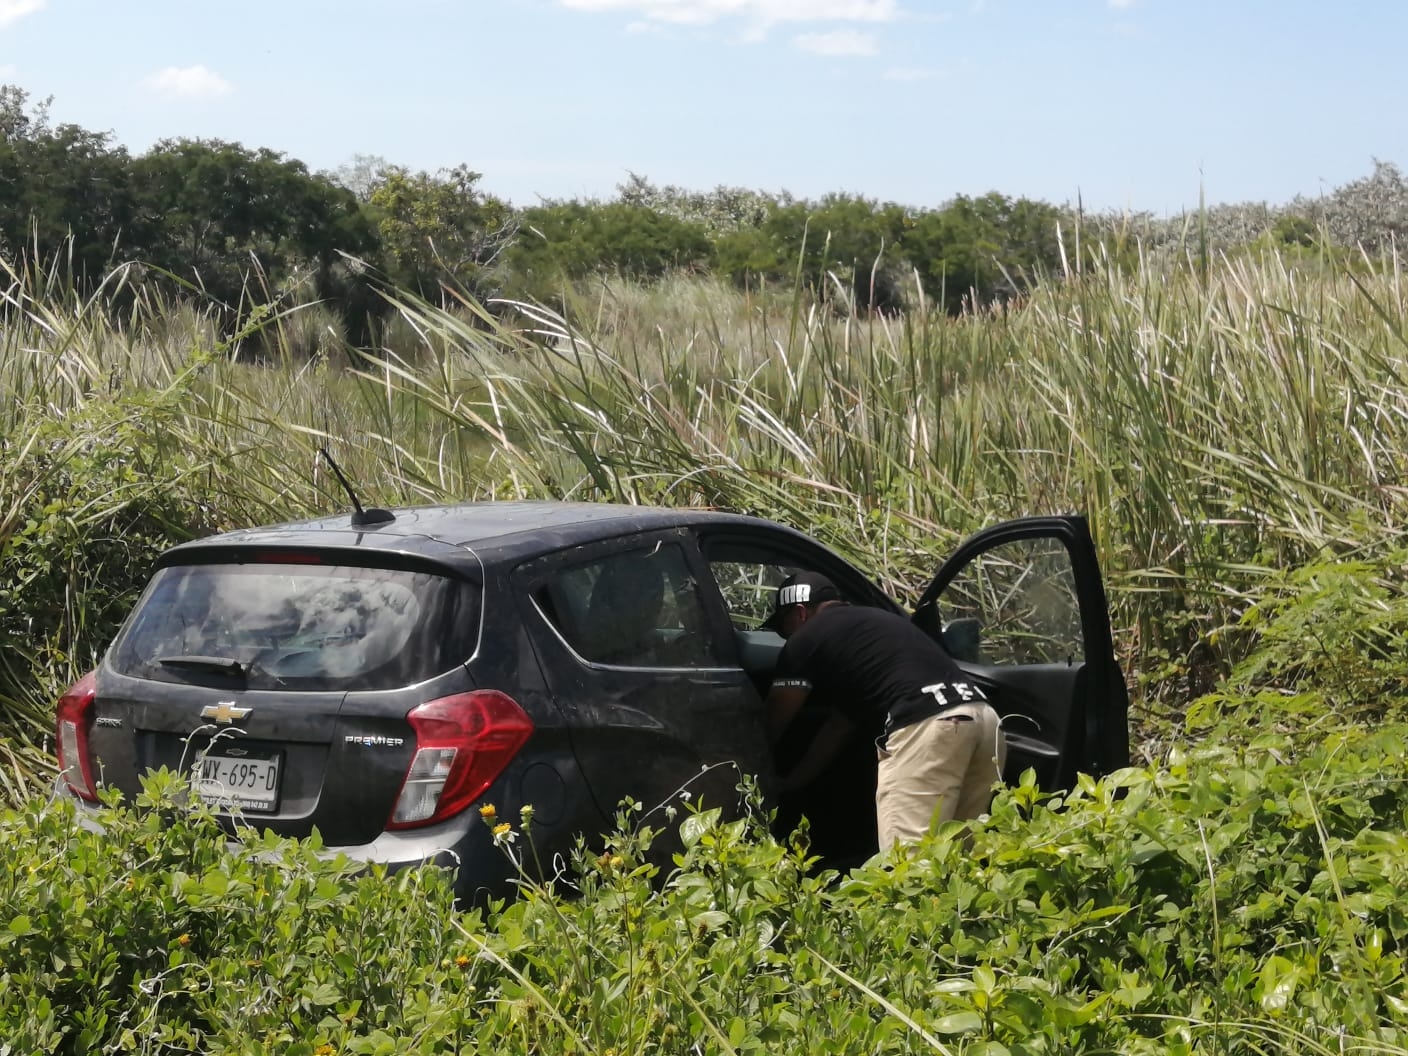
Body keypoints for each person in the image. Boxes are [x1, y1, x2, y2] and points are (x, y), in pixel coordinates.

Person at [762, 570, 1007, 850]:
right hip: (983, 720)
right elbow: (837, 730)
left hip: (929, 727)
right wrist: (792, 783)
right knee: (960, 855)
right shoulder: (875, 626)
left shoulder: (805, 639)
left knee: (906, 863)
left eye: (784, 628)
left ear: (800, 613)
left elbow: (774, 721)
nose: (786, 637)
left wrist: (753, 774)